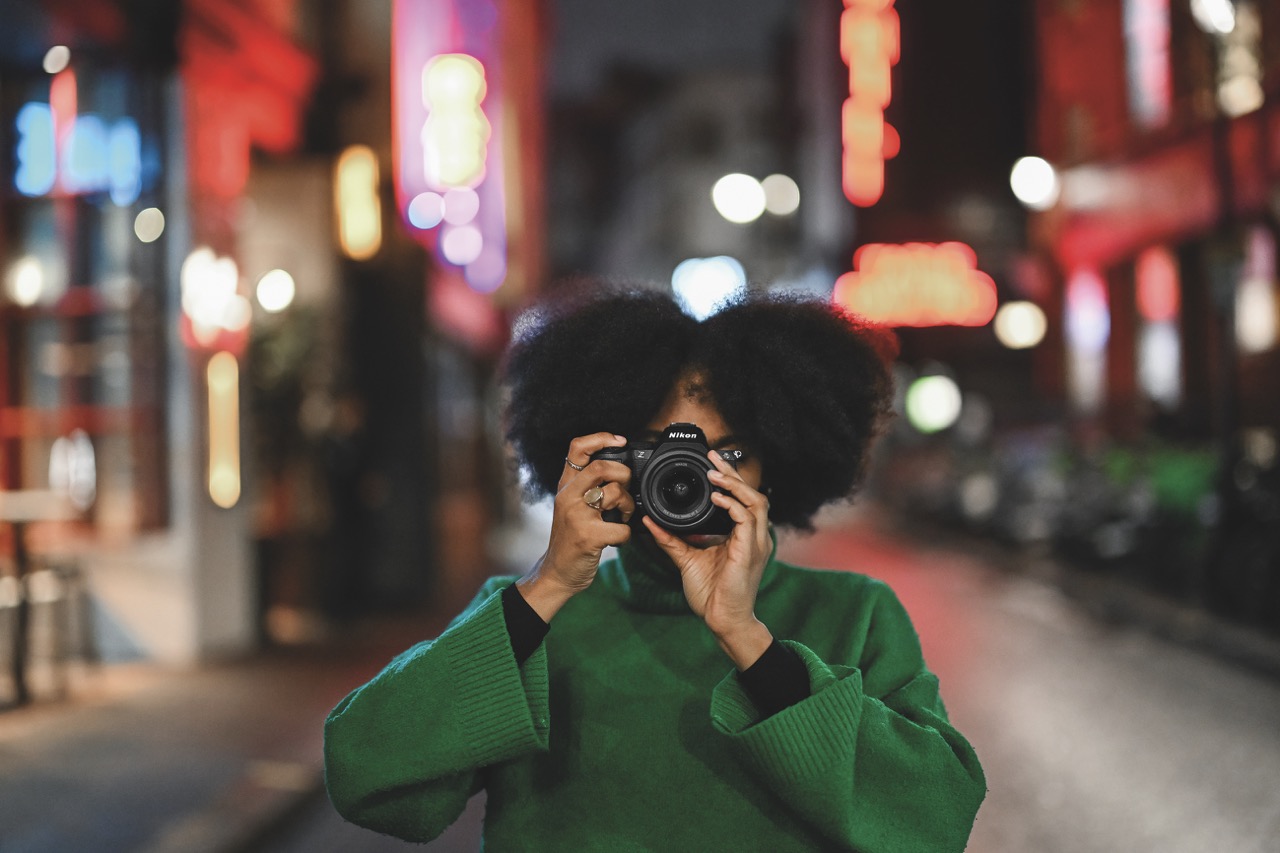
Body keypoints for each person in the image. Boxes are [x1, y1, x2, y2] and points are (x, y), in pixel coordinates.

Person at [323, 286, 986, 851]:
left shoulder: (852, 614)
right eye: (658, 450)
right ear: (602, 455)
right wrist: (550, 583)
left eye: (730, 452)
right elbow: (364, 776)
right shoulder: (532, 618)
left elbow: (933, 822)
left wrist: (748, 639)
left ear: (777, 465)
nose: (693, 475)